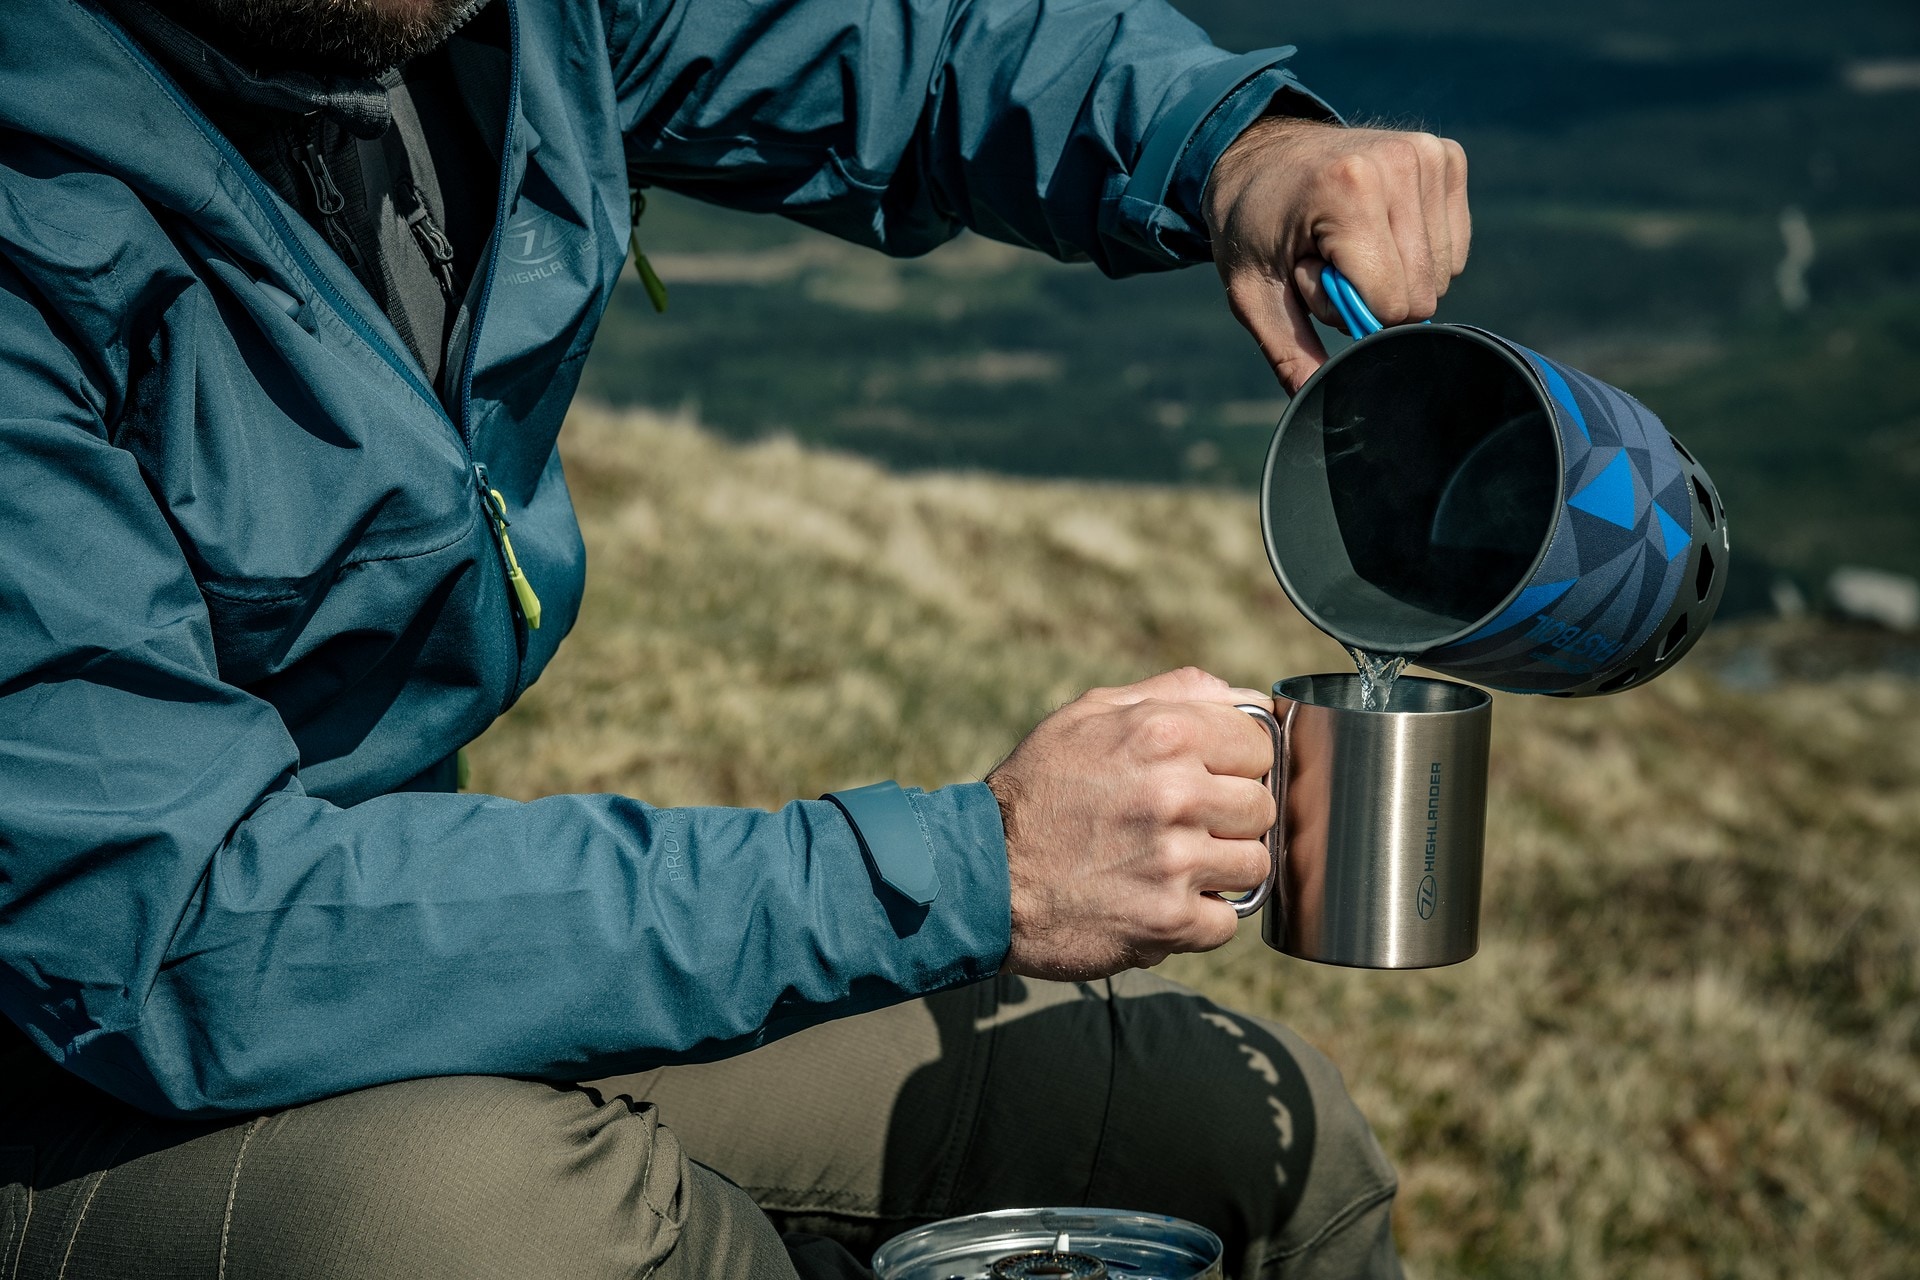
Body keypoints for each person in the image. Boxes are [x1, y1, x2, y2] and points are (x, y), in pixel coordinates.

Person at [0, 0, 1468, 1274]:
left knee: (1249, 1134)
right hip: (65, 1066)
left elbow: (903, 45)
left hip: (404, 943)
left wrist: (1227, 143)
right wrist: (967, 869)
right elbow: (176, 928)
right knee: (521, 1226)